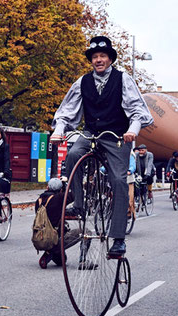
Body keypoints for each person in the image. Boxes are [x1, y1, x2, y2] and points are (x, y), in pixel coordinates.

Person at [50, 35, 154, 257]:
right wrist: (59, 131)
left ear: (110, 59)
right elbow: (67, 111)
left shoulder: (123, 79)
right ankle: (79, 202)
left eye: (102, 56)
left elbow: (137, 110)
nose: (98, 60)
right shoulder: (82, 82)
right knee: (73, 154)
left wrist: (132, 130)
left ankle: (118, 239)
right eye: (95, 57)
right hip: (91, 132)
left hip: (117, 135)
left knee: (118, 179)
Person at [36, 178, 67, 269]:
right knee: (85, 232)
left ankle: (50, 252)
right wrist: (65, 184)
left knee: (62, 261)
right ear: (60, 190)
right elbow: (72, 195)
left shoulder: (39, 200)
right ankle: (50, 252)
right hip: (53, 237)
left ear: (47, 187)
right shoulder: (59, 198)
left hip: (40, 236)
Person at [127, 147, 138, 219]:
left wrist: (130, 171)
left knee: (129, 198)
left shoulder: (131, 154)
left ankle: (130, 212)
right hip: (117, 176)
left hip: (129, 178)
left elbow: (133, 165)